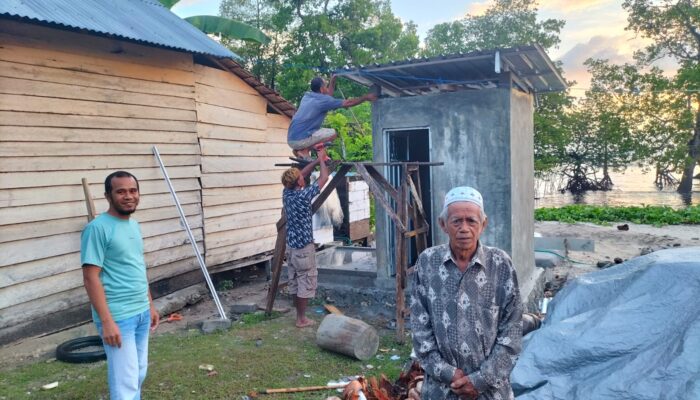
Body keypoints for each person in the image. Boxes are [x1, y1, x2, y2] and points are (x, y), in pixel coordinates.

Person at [410, 186, 523, 400]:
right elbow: (419, 328)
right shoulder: (427, 262)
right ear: (443, 225)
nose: (464, 228)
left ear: (483, 224)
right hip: (441, 391)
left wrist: (480, 380)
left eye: (471, 221)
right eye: (456, 221)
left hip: (491, 391)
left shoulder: (500, 264)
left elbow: (513, 331)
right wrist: (448, 373)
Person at [81, 171, 160, 400]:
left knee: (138, 373)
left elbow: (137, 268)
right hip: (118, 316)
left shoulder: (134, 225)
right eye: (121, 191)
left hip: (141, 312)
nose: (128, 196)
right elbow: (90, 277)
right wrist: (107, 322)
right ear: (108, 196)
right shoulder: (97, 229)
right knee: (125, 382)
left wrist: (150, 305)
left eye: (133, 191)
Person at [280, 147, 330, 327]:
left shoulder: (287, 193)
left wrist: (316, 161)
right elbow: (323, 179)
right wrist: (322, 160)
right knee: (306, 280)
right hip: (303, 248)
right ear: (299, 183)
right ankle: (301, 319)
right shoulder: (302, 196)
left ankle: (298, 316)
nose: (304, 177)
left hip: (292, 247)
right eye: (301, 178)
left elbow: (300, 173)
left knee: (295, 281)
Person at [287, 75, 377, 160]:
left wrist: (333, 81)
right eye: (326, 86)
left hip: (291, 139)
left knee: (321, 133)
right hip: (300, 140)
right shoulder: (323, 101)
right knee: (333, 133)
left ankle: (300, 150)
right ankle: (304, 151)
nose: (327, 88)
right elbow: (348, 103)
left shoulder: (307, 96)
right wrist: (366, 97)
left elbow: (328, 96)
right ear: (322, 89)